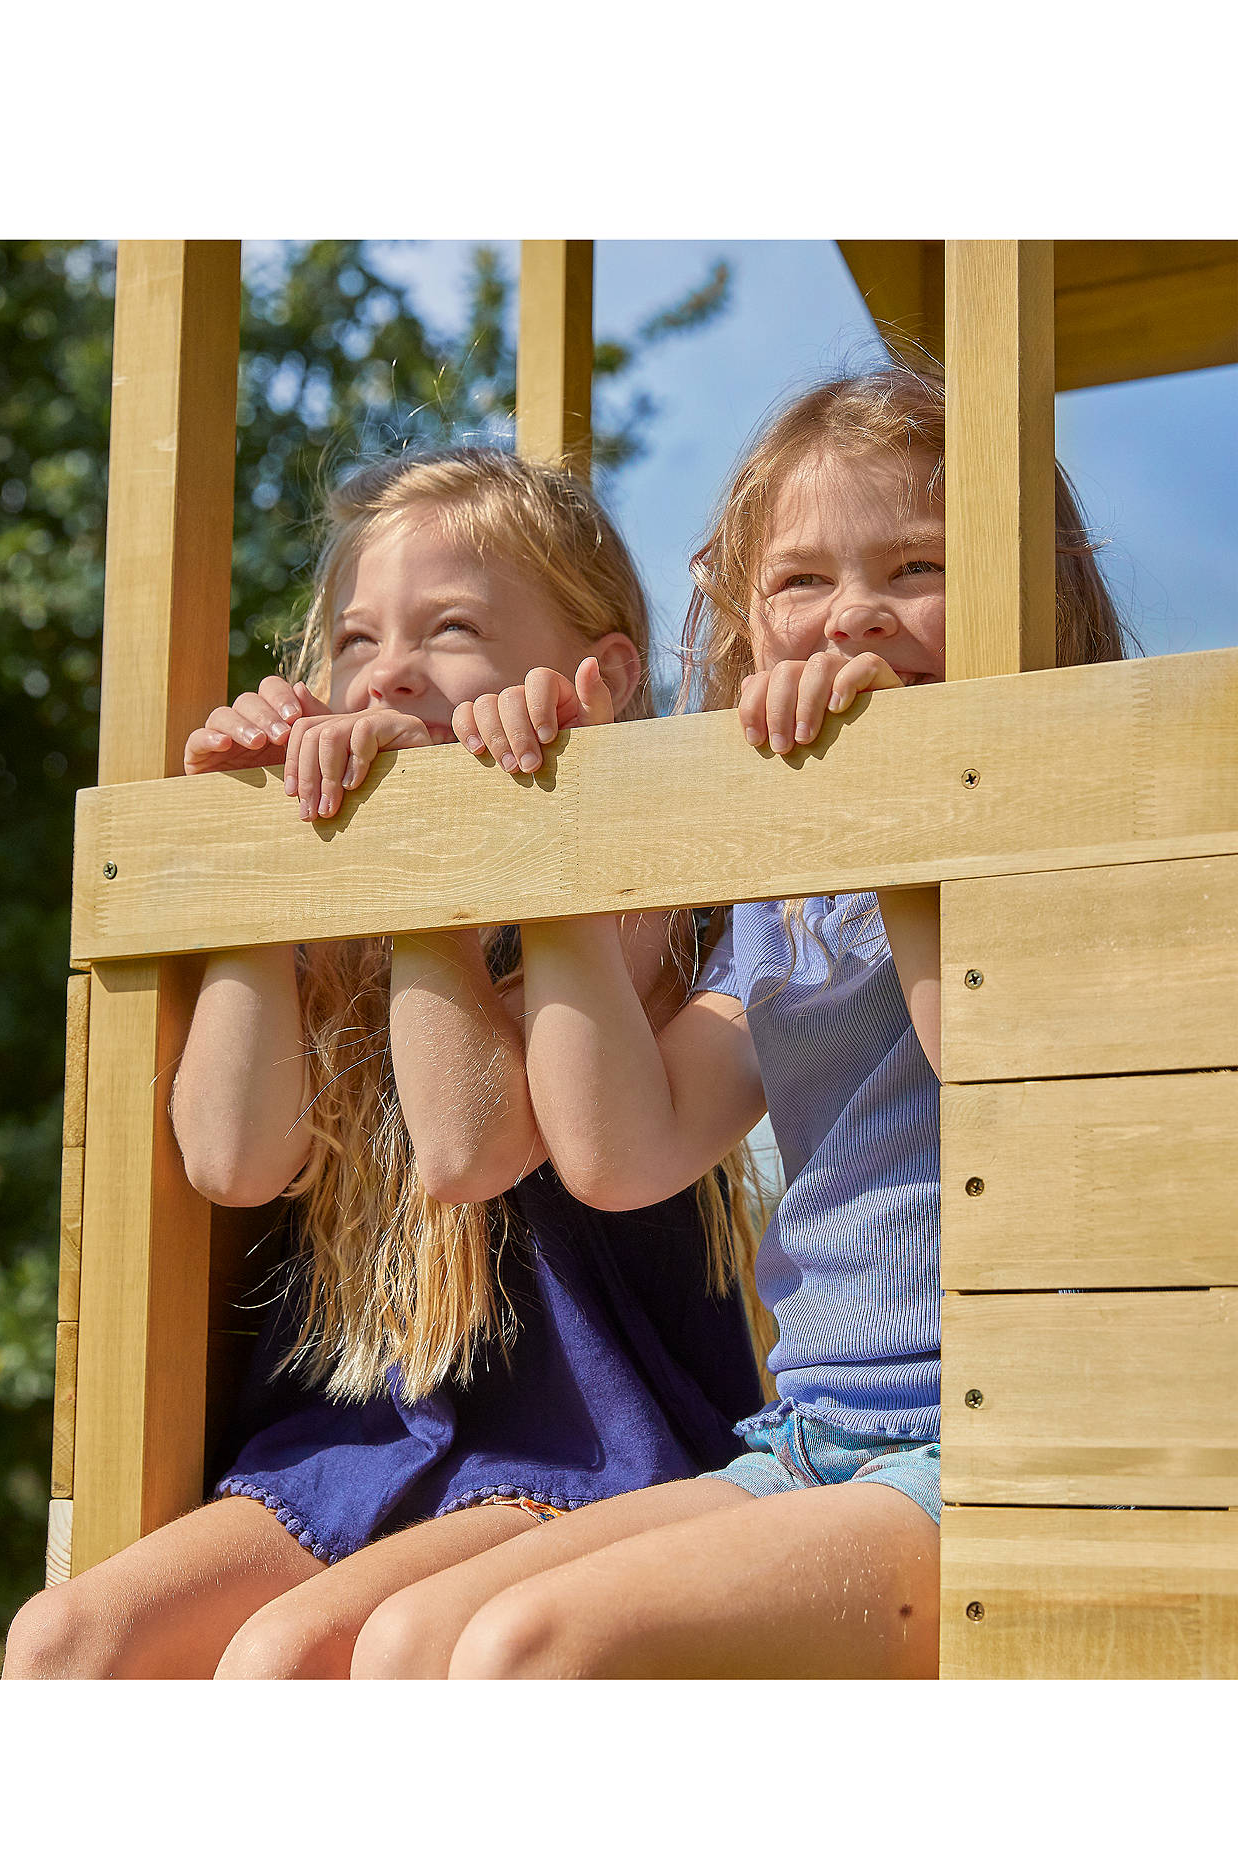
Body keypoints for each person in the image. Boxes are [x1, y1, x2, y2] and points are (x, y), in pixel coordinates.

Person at [337, 366, 1132, 1680]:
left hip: (997, 1447)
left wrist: (902, 804)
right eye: (802, 584)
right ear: (747, 633)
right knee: (414, 1644)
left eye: (917, 567)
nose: (855, 616)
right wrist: (560, 841)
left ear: (1026, 593)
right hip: (812, 1438)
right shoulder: (794, 909)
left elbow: (995, 1076)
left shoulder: (1075, 837)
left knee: (527, 1652)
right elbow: (623, 1152)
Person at [2, 448, 764, 1679]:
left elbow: (470, 1149)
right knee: (67, 1641)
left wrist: (433, 860)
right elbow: (234, 1157)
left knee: (291, 1663)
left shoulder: (635, 916)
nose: (391, 671)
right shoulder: (341, 934)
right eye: (355, 642)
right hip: (357, 1442)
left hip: (584, 1442)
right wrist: (261, 856)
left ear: (604, 677)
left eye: (451, 629)